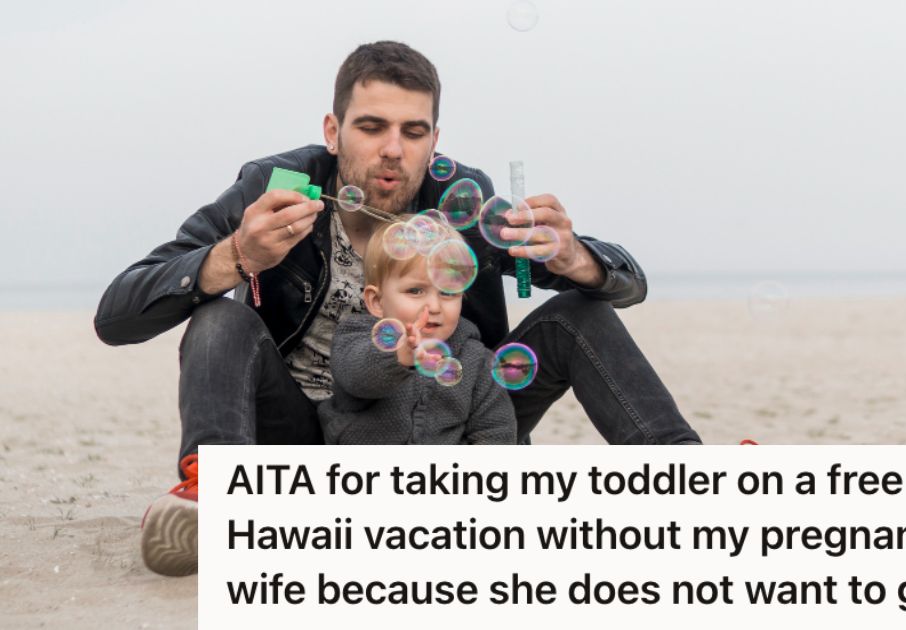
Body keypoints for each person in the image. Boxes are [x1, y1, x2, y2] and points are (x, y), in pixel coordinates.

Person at [94, 40, 701, 577]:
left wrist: (578, 259)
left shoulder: (463, 197)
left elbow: (627, 283)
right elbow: (115, 315)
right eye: (371, 126)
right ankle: (217, 504)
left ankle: (691, 485)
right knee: (218, 317)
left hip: (456, 424)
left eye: (413, 132)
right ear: (333, 132)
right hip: (312, 443)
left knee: (579, 312)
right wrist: (234, 257)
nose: (393, 150)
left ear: (434, 140)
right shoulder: (273, 188)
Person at [318, 218, 516, 446]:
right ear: (377, 301)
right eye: (415, 290)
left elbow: (495, 431)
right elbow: (357, 376)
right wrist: (399, 355)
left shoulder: (476, 361)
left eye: (448, 292)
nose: (434, 306)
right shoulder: (356, 338)